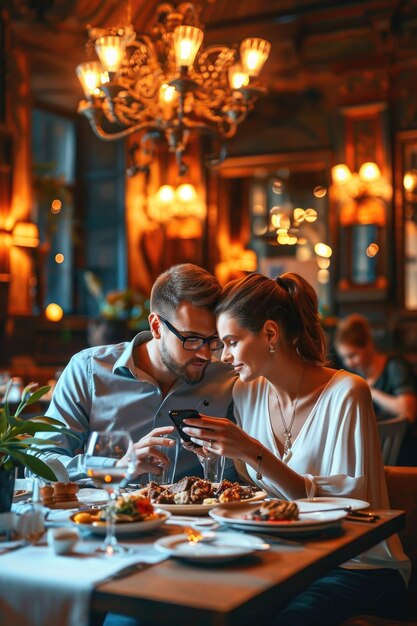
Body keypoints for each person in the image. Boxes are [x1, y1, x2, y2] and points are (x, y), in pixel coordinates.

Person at [180, 272, 410, 625]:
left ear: (270, 334)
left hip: (357, 564)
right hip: (286, 558)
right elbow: (257, 493)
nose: (223, 356)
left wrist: (254, 452)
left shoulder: (347, 393)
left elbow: (348, 514)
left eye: (231, 342)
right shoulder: (247, 393)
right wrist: (218, 459)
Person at [42, 263, 236, 481]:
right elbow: (41, 462)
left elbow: (238, 474)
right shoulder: (88, 369)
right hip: (107, 512)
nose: (206, 354)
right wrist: (115, 467)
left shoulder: (227, 380)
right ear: (155, 326)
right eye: (191, 339)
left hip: (195, 513)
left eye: (213, 340)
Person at [333, 313, 417, 424]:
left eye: (352, 355)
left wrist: (368, 390)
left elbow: (408, 410)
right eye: (344, 358)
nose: (348, 363)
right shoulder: (353, 375)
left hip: (401, 440)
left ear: (368, 344)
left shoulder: (395, 366)